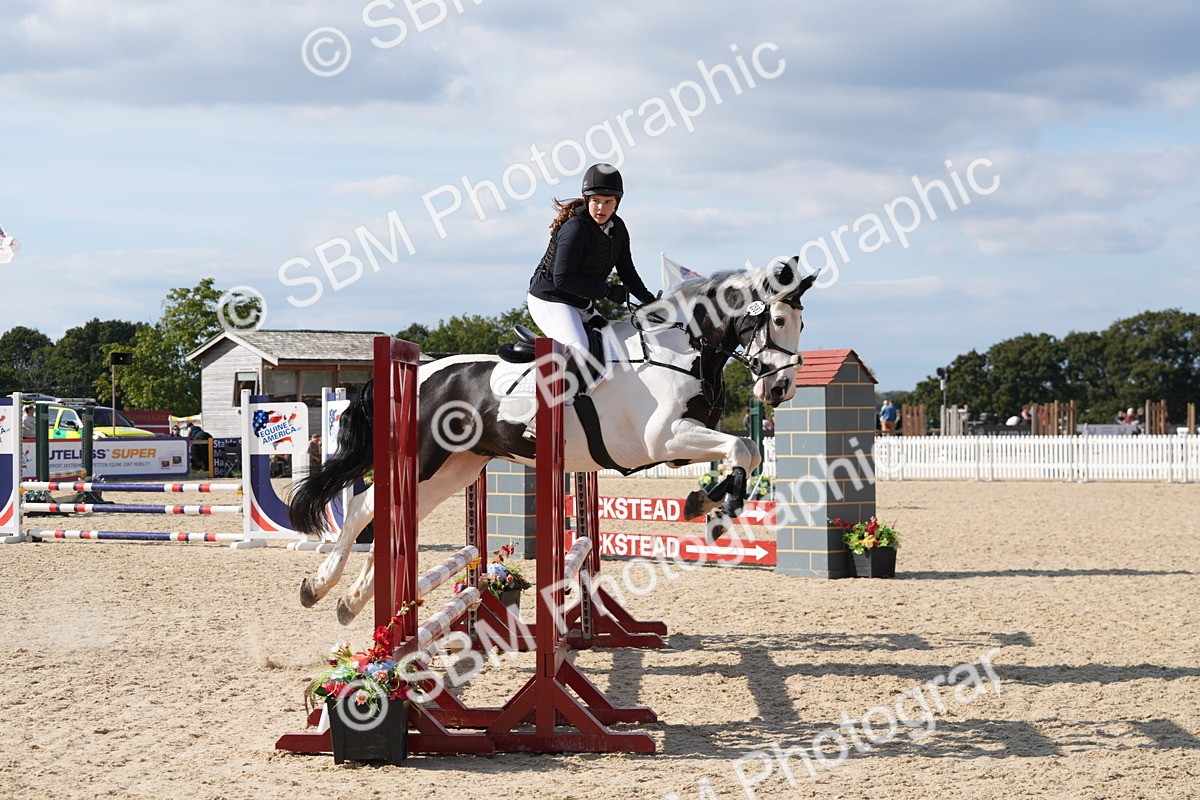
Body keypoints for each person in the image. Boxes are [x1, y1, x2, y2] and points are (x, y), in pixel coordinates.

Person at [523, 163, 656, 438]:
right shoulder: (575, 229)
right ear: (587, 200)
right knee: (580, 348)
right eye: (596, 201)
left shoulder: (617, 229)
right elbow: (563, 280)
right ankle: (538, 418)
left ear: (617, 203)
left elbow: (627, 271)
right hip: (550, 298)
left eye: (608, 202)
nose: (601, 208)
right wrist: (608, 292)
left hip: (580, 301)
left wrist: (649, 301)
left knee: (616, 347)